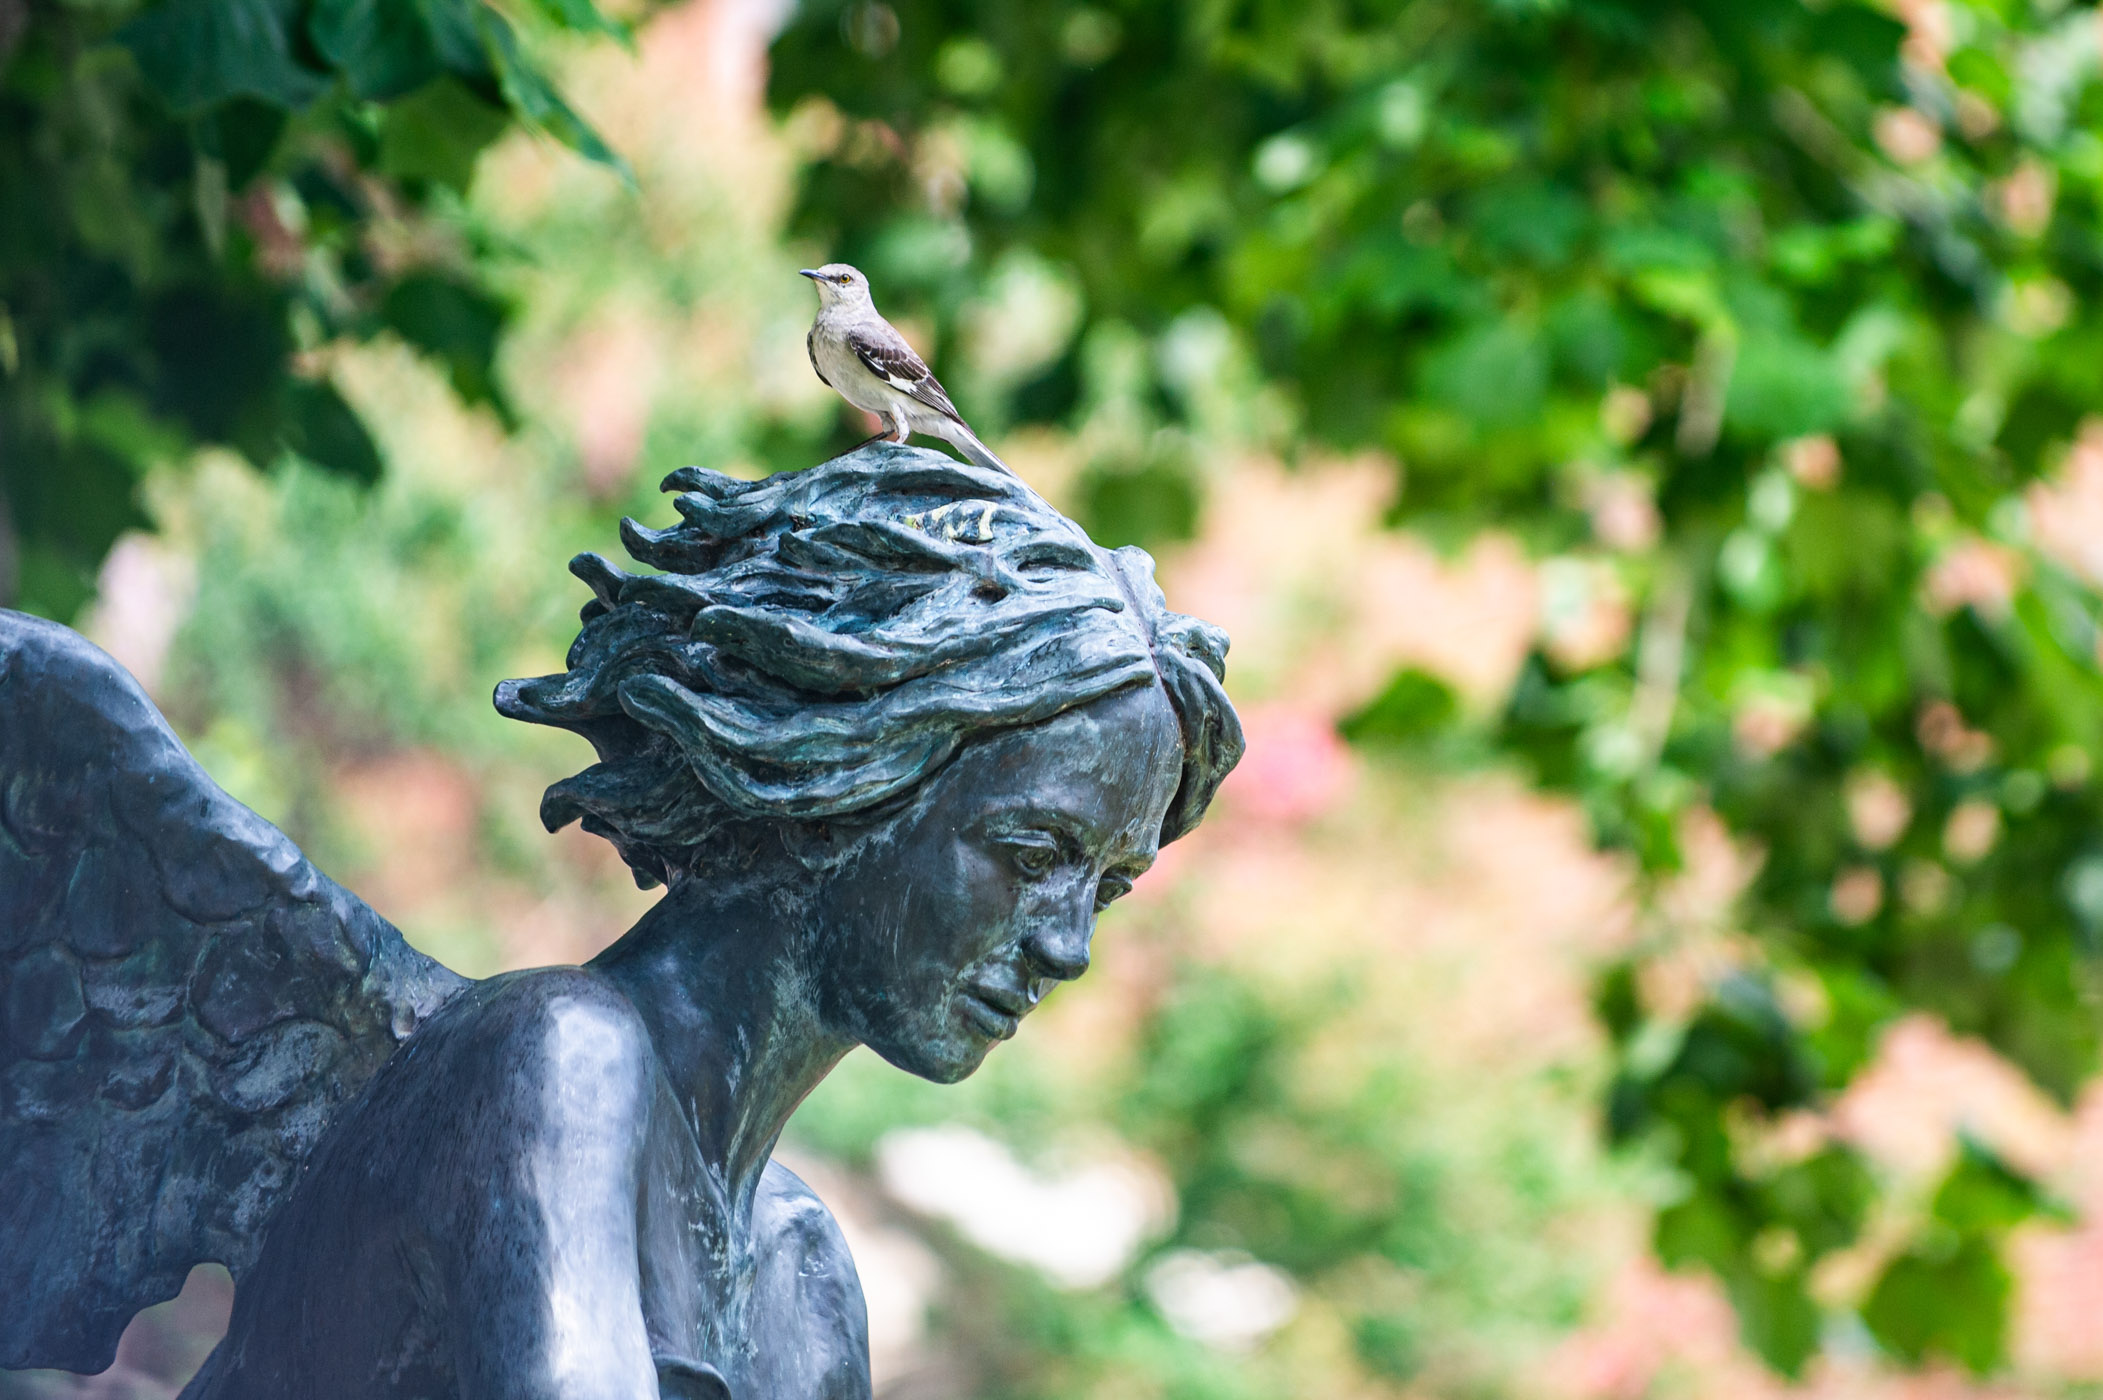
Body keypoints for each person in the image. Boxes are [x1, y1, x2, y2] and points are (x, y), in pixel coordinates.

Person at [177, 444, 1243, 1399]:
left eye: (1103, 887)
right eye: (1032, 855)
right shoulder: (552, 1061)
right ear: (851, 771)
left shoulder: (801, 1275)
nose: (1069, 945)